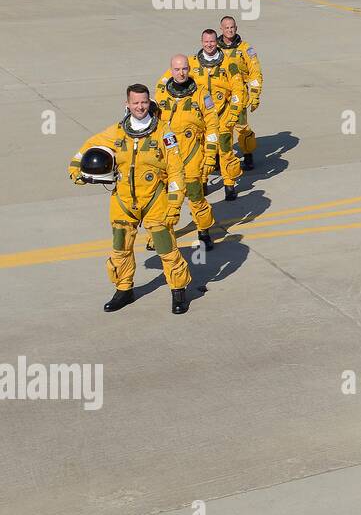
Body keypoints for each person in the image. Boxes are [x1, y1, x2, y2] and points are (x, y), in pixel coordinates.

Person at [68, 84, 192, 315]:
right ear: (127, 104)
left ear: (149, 103)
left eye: (144, 102)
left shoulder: (164, 133)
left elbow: (176, 171)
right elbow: (89, 146)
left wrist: (175, 204)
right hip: (124, 201)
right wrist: (76, 168)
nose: (140, 107)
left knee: (166, 248)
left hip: (155, 200)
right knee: (120, 248)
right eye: (135, 103)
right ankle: (124, 289)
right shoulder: (117, 131)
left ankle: (178, 291)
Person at [154, 54, 223, 249]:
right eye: (177, 69)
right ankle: (162, 232)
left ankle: (204, 230)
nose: (181, 73)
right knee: (164, 198)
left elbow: (212, 125)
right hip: (168, 156)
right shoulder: (162, 95)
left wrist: (210, 155)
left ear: (189, 69)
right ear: (171, 70)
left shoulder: (201, 95)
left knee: (195, 197)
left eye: (184, 69)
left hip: (192, 154)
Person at [189, 28, 246, 200]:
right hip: (202, 119)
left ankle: (229, 184)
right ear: (201, 42)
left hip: (223, 116)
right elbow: (171, 79)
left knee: (225, 151)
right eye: (206, 41)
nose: (209, 45)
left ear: (216, 41)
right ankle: (203, 181)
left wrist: (234, 112)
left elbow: (238, 87)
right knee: (202, 151)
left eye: (212, 41)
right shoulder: (192, 63)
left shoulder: (228, 63)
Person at [218, 15, 263, 170]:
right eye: (226, 28)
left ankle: (248, 153)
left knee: (242, 127)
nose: (230, 30)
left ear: (236, 28)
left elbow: (255, 72)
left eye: (232, 27)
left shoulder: (245, 48)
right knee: (221, 128)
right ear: (221, 29)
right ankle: (223, 155)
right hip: (220, 96)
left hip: (240, 94)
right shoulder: (215, 50)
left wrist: (255, 94)